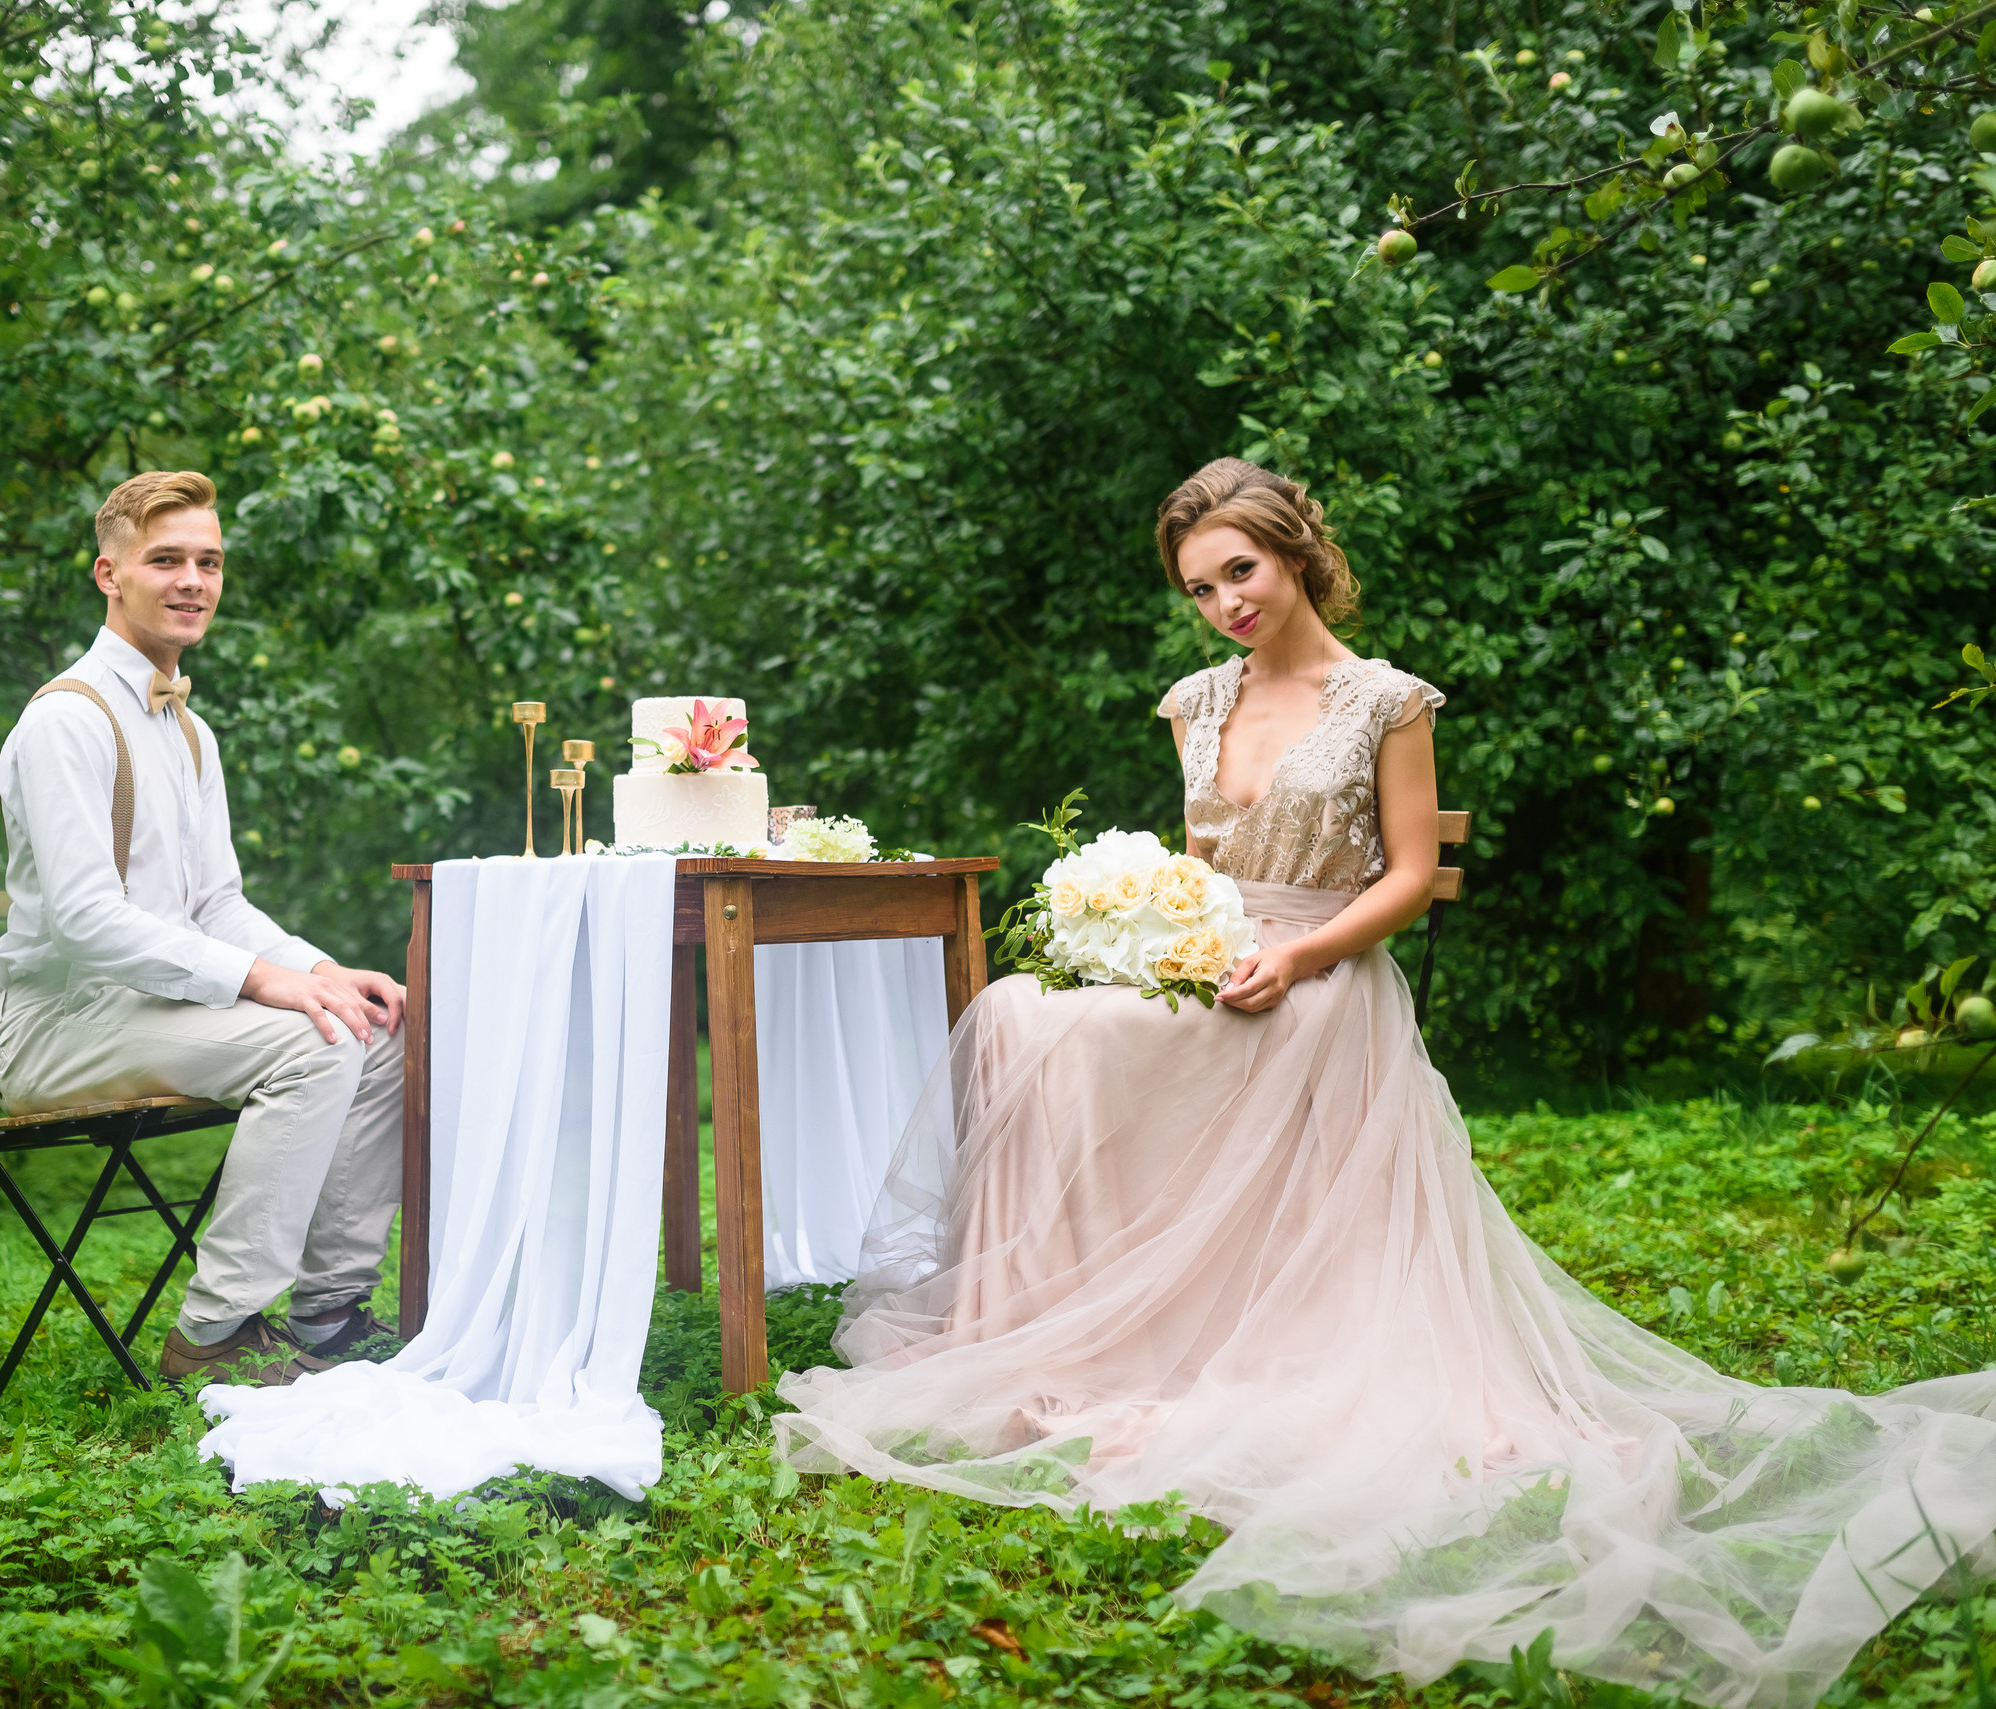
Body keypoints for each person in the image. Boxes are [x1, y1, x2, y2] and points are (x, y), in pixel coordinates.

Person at [774, 459, 1996, 1709]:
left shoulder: (1385, 701)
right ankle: (1060, 1326)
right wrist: (1142, 934)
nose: (1224, 603)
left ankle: (1168, 1318)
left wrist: (1295, 952)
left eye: (1239, 571)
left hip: (1320, 979)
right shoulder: (1192, 700)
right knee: (1024, 1013)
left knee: (1066, 1034)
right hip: (1212, 962)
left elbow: (1407, 876)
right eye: (1200, 587)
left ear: (1294, 552)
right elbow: (1196, 869)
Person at [0, 470, 409, 1388]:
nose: (192, 581)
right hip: (58, 1026)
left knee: (372, 1033)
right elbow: (88, 920)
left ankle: (329, 1312)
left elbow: (219, 905)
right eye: (165, 559)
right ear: (109, 574)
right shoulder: (66, 721)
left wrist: (324, 969)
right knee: (312, 1047)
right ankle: (213, 1336)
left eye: (208, 562)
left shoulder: (189, 731)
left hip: (147, 1010)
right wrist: (263, 983)